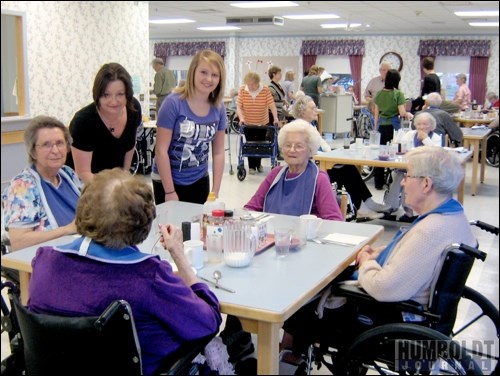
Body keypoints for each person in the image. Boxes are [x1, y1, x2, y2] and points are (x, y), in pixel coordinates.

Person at [280, 146, 476, 365]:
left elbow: (384, 287)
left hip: (389, 318)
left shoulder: (429, 231)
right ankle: (295, 348)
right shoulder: (452, 217)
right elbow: (413, 254)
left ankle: (292, 348)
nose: (402, 182)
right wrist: (381, 253)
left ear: (426, 184)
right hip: (421, 312)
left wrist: (366, 262)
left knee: (304, 294)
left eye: (408, 176)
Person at [26, 168, 222, 376]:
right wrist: (180, 258)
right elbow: (208, 322)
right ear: (144, 223)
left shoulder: (44, 261)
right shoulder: (149, 275)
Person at [290, 95, 388, 220]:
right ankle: (363, 206)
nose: (317, 110)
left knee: (348, 167)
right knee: (347, 170)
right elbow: (309, 153)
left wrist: (332, 153)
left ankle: (366, 202)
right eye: (313, 108)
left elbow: (321, 146)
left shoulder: (309, 125)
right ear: (302, 111)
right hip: (311, 169)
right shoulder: (301, 128)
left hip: (318, 162)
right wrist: (329, 155)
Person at [152, 49, 226, 205]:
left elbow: (218, 152)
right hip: (167, 180)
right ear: (193, 72)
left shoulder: (218, 108)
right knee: (171, 228)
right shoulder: (173, 103)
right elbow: (160, 150)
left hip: (199, 179)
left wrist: (215, 191)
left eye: (214, 75)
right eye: (203, 72)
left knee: (197, 227)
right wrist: (170, 191)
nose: (208, 79)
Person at [2, 116, 82, 251]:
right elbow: (19, 242)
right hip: (46, 257)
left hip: (78, 248)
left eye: (60, 143)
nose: (56, 150)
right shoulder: (22, 186)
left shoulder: (68, 174)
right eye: (46, 145)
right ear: (33, 151)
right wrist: (67, 229)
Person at [244, 119, 343, 221]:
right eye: (288, 145)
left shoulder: (319, 179)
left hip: (303, 236)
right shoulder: (275, 174)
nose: (292, 150)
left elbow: (334, 220)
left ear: (310, 150)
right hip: (273, 234)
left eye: (299, 146)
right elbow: (250, 208)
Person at [69, 62, 142, 184]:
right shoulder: (83, 121)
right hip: (87, 188)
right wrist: (113, 189)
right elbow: (82, 173)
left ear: (127, 94)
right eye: (106, 95)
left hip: (116, 185)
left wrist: (125, 180)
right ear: (98, 95)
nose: (113, 101)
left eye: (120, 94)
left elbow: (130, 147)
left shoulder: (133, 109)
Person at [385, 112, 443, 220]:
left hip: (425, 169)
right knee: (400, 177)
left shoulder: (435, 137)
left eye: (425, 124)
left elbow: (436, 153)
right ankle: (392, 208)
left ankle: (404, 210)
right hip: (407, 166)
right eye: (419, 124)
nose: (422, 127)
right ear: (415, 125)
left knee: (407, 178)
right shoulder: (410, 134)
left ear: (431, 126)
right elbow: (401, 148)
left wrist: (425, 139)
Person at [373, 69, 413, 189]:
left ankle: (378, 183)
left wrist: (375, 128)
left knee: (380, 154)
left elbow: (376, 113)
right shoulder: (398, 94)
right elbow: (402, 112)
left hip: (381, 125)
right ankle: (395, 181)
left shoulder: (379, 94)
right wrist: (409, 114)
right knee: (396, 153)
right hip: (393, 126)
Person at [236, 71, 279, 175]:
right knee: (250, 143)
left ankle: (258, 164)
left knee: (260, 143)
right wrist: (241, 118)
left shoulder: (265, 89)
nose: (250, 86)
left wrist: (276, 118)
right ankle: (251, 167)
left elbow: (271, 105)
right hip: (248, 122)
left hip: (262, 122)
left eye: (252, 84)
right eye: (248, 84)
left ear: (257, 82)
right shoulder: (243, 89)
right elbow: (239, 106)